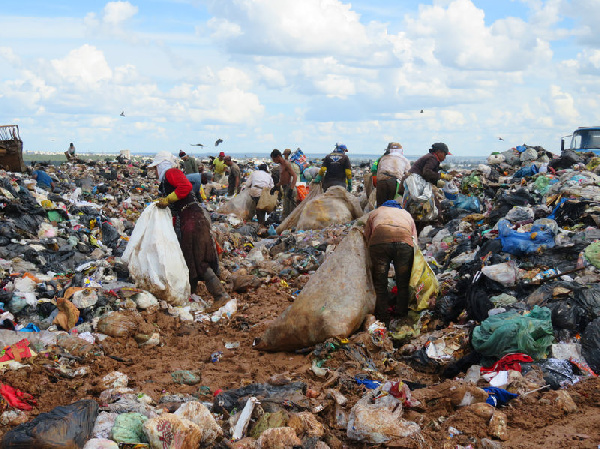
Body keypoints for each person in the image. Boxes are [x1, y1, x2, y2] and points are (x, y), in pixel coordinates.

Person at [149, 151, 229, 309]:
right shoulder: (166, 179)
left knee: (198, 259)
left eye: (156, 168)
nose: (155, 171)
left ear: (162, 165)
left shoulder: (172, 172)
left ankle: (220, 295)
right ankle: (189, 295)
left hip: (192, 220)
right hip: (190, 219)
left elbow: (185, 187)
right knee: (189, 258)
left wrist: (168, 199)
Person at [364, 200, 417, 327]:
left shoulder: (375, 212)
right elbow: (415, 239)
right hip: (404, 243)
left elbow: (367, 236)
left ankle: (383, 317)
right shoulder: (406, 214)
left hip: (380, 242)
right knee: (403, 282)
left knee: (380, 282)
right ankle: (401, 315)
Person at [375, 142, 410, 207]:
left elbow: (378, 171)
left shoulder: (383, 158)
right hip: (394, 182)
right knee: (393, 204)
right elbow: (408, 174)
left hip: (381, 182)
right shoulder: (404, 160)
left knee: (381, 205)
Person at [270, 149, 298, 219]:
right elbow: (283, 180)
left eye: (274, 159)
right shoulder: (280, 165)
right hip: (285, 188)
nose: (273, 161)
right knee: (285, 211)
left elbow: (294, 176)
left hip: (289, 188)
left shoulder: (286, 164)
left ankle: (293, 228)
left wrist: (291, 189)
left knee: (292, 211)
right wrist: (275, 187)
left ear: (278, 156)